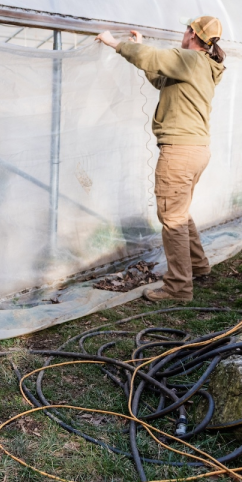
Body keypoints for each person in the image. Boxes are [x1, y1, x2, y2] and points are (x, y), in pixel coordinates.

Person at [96, 16, 226, 302]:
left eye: (185, 29)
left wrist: (114, 44)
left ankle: (178, 288)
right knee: (180, 212)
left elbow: (153, 58)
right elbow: (160, 77)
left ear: (192, 34)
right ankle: (198, 266)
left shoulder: (191, 58)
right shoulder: (202, 65)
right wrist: (139, 46)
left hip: (180, 150)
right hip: (196, 148)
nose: (182, 33)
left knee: (172, 217)